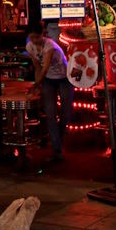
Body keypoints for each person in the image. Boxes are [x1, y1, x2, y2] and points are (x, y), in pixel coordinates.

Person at [26, 22, 72, 160]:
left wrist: (35, 85)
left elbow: (44, 67)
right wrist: (38, 85)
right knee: (50, 113)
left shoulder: (49, 45)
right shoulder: (30, 47)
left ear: (43, 34)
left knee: (66, 113)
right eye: (32, 38)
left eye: (37, 37)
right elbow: (37, 68)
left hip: (65, 78)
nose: (35, 41)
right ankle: (57, 150)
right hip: (48, 80)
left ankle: (58, 137)